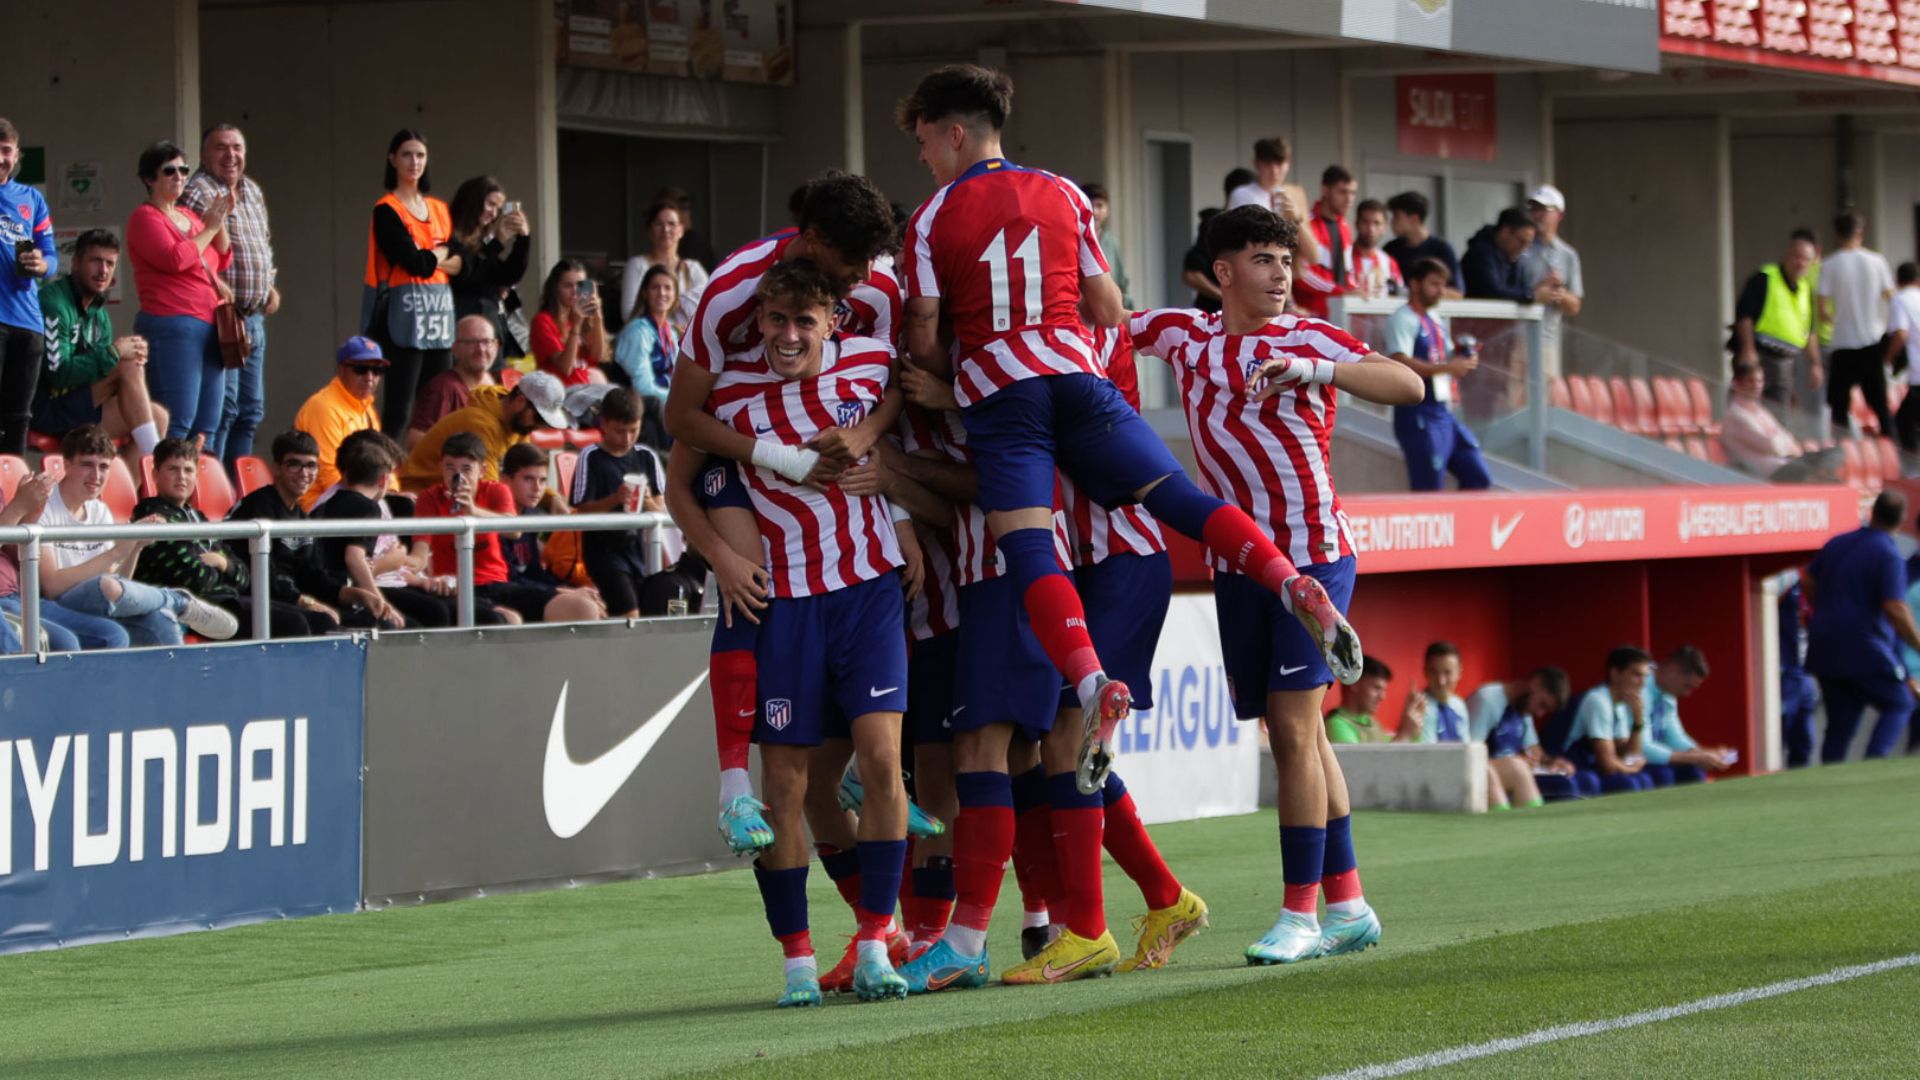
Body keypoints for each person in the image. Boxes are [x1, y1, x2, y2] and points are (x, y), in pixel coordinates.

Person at [1128, 203, 1422, 966]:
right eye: (1263, 259)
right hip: (1238, 565)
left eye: (1286, 260)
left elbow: (1408, 386)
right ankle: (1350, 904)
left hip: (1314, 560)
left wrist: (1320, 371)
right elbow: (1108, 325)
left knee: (1293, 729)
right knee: (1301, 732)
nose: (1282, 274)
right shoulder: (1184, 334)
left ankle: (1299, 915)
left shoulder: (1309, 336)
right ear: (1223, 273)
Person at [707, 261, 913, 1006]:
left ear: (834, 320)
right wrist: (722, 554)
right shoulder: (728, 391)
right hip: (786, 603)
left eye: (806, 321)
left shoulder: (868, 359)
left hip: (868, 592)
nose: (789, 336)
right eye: (776, 320)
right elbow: (684, 450)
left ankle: (874, 943)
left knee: (882, 761)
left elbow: (896, 396)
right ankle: (796, 958)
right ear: (759, 318)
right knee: (787, 786)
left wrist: (872, 441)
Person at [35, 425, 237, 646]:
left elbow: (122, 585)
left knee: (160, 619)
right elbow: (51, 586)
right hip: (57, 604)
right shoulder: (44, 507)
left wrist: (135, 547)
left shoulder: (98, 509)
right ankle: (179, 601)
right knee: (106, 586)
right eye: (87, 465)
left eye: (103, 467)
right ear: (67, 465)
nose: (96, 475)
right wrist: (116, 553)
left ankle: (177, 677)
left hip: (99, 598)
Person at [131, 437, 332, 637]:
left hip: (225, 600)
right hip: (190, 609)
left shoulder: (197, 516)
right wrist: (224, 570)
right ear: (155, 475)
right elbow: (195, 579)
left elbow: (244, 577)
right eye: (173, 469)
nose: (181, 477)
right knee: (292, 624)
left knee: (321, 621)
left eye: (188, 470)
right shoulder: (153, 516)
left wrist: (223, 564)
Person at [181, 123, 277, 468]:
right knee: (224, 409)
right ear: (205, 156)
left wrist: (269, 285)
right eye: (221, 148)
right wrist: (213, 281)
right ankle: (213, 489)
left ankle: (240, 498)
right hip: (221, 317)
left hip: (254, 316)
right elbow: (190, 248)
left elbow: (260, 243)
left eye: (237, 147)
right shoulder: (199, 191)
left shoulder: (251, 189)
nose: (230, 156)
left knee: (251, 411)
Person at [33, 228, 167, 468]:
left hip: (81, 405)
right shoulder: (54, 303)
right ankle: (160, 468)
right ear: (75, 264)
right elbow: (57, 375)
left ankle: (126, 497)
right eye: (95, 261)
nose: (103, 270)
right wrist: (114, 354)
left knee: (158, 416)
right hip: (49, 410)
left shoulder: (100, 315)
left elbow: (103, 370)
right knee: (125, 365)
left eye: (110, 263)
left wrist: (128, 354)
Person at [127, 139, 232, 444]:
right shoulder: (145, 217)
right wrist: (209, 230)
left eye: (183, 170)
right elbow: (175, 259)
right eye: (169, 170)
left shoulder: (190, 216)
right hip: (172, 323)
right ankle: (167, 490)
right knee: (178, 422)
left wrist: (218, 218)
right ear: (150, 179)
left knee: (207, 426)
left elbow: (221, 255)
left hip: (211, 323)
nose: (179, 176)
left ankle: (201, 490)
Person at [1803, 491, 1920, 763]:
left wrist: (1827, 609)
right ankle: (1874, 765)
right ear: (1901, 520)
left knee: (1841, 723)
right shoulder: (1888, 554)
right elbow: (1895, 607)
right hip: (1863, 644)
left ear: (1873, 512)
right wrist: (1916, 643)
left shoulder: (1838, 542)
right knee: (1899, 702)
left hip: (1823, 643)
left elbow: (1808, 580)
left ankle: (1830, 783)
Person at [226, 429, 376, 628]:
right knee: (316, 622)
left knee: (371, 618)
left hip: (290, 598)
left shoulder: (301, 516)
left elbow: (313, 575)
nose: (304, 473)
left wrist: (355, 594)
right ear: (277, 468)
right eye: (294, 464)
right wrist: (308, 603)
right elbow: (263, 578)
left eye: (311, 466)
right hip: (250, 596)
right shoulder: (259, 507)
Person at [363, 129, 459, 437]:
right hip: (404, 318)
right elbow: (413, 263)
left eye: (420, 155)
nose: (413, 161)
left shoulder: (440, 209)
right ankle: (390, 479)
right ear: (393, 159)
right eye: (406, 154)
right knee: (400, 410)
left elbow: (463, 262)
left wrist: (431, 254)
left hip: (440, 320)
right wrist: (441, 254)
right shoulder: (387, 209)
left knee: (438, 408)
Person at [311, 430, 450, 629]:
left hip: (343, 588)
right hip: (349, 591)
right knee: (428, 616)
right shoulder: (367, 507)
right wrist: (379, 602)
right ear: (384, 479)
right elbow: (354, 558)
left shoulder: (337, 503)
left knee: (438, 610)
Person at [1386, 257, 1490, 492]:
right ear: (1414, 284)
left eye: (1443, 284)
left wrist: (1463, 354)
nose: (1441, 291)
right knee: (1429, 488)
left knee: (1478, 476)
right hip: (1418, 412)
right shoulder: (1402, 319)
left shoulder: (1435, 318)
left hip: (1443, 411)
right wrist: (1448, 368)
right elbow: (1399, 361)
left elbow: (1441, 356)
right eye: (1434, 284)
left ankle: (1463, 527)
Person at [567, 388, 665, 618]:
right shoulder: (591, 457)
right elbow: (582, 508)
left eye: (634, 431)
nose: (628, 439)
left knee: (648, 612)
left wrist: (647, 502)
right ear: (604, 424)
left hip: (638, 551)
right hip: (603, 552)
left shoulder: (646, 456)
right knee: (629, 613)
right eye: (620, 432)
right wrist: (615, 499)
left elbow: (660, 507)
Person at [0, 468, 120, 652]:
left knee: (112, 635)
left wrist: (31, 515)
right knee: (65, 644)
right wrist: (18, 507)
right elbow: (51, 585)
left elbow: (14, 555)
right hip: (4, 601)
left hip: (18, 594)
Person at [398, 370, 569, 491]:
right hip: (421, 498)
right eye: (539, 418)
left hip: (457, 499)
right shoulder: (480, 423)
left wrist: (551, 498)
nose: (539, 427)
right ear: (520, 401)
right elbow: (488, 491)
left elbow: (524, 474)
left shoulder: (519, 427)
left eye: (545, 422)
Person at [0, 117, 57, 455]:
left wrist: (41, 263)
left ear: (17, 155)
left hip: (28, 321)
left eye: (6, 151)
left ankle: (11, 496)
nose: (1, 159)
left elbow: (50, 256)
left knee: (19, 417)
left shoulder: (31, 199)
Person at [497, 442, 605, 617]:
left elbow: (534, 573)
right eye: (528, 479)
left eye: (542, 480)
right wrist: (562, 592)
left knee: (597, 597)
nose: (537, 488)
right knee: (582, 607)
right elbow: (512, 579)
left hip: (526, 589)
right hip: (505, 594)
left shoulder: (530, 515)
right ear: (505, 480)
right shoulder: (494, 520)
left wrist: (569, 588)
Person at [1817, 211, 1896, 434]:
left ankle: (1840, 457)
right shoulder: (1876, 261)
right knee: (1880, 405)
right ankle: (1893, 454)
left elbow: (1822, 309)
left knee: (1839, 406)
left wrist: (1836, 318)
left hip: (1843, 342)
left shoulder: (1829, 265)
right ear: (1860, 232)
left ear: (1837, 234)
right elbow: (1892, 299)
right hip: (1871, 339)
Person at [1732, 229, 1824, 411]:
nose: (1800, 263)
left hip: (1786, 362)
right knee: (1748, 410)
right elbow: (1745, 316)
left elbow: (1809, 332)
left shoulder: (1805, 289)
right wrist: (1748, 350)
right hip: (1759, 356)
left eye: (1806, 259)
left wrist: (1815, 364)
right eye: (1796, 257)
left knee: (1778, 416)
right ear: (1786, 255)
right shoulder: (1765, 278)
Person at [294, 336, 388, 508]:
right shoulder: (324, 407)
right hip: (319, 507)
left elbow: (384, 464)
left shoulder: (367, 409)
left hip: (361, 496)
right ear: (341, 369)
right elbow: (330, 476)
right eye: (361, 369)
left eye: (377, 370)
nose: (369, 377)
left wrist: (394, 492)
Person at [445, 175, 531, 359]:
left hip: (491, 332)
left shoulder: (483, 240)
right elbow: (468, 272)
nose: (494, 213)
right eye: (491, 205)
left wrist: (523, 239)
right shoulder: (447, 234)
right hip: (461, 331)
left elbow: (507, 276)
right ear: (473, 201)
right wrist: (497, 243)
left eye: (498, 209)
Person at [1465, 667, 1577, 807]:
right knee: (1521, 770)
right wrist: (1517, 762)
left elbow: (1534, 751)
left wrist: (1553, 762)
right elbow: (1467, 757)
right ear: (1535, 683)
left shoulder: (1524, 710)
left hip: (1512, 776)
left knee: (1568, 783)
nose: (1539, 714)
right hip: (1479, 778)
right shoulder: (1488, 700)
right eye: (1542, 704)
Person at [1720, 360, 1841, 482]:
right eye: (1750, 380)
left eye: (1760, 381)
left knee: (1835, 453)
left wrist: (1783, 441)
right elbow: (1770, 445)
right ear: (1736, 384)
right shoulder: (1735, 415)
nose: (1757, 385)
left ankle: (1823, 477)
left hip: (1787, 461)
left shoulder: (1760, 410)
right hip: (1770, 471)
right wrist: (1784, 443)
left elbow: (1785, 436)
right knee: (1819, 476)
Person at [1559, 646, 1657, 795]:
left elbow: (1630, 755)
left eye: (1645, 677)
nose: (1642, 683)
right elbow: (1608, 765)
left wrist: (1638, 721)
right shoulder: (1598, 700)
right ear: (1615, 674)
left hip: (1591, 766)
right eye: (1636, 675)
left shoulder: (1621, 704)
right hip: (1569, 764)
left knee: (1644, 779)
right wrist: (1632, 768)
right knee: (1627, 783)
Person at [1640, 646, 1736, 786]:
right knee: (1664, 774)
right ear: (1672, 670)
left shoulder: (1667, 694)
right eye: (1687, 686)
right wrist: (1695, 757)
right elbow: (1643, 748)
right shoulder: (1640, 688)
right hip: (1627, 758)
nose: (1687, 694)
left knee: (1693, 771)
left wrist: (1705, 754)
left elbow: (1675, 737)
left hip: (1647, 758)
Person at [406, 315, 497, 447]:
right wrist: (457, 453)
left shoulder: (494, 383)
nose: (481, 349)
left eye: (486, 342)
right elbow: (415, 439)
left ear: (496, 346)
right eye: (471, 342)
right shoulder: (443, 388)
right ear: (455, 348)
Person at [618, 198, 708, 330]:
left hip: (686, 347)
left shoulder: (693, 268)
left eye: (671, 224)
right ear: (650, 231)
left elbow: (709, 308)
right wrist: (678, 308)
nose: (665, 229)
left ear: (681, 230)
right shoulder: (637, 265)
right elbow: (629, 314)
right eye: (658, 224)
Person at [1224, 137, 1318, 263]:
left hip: (1288, 274)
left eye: (1279, 164)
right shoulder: (1243, 194)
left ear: (1288, 165)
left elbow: (1314, 256)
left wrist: (1296, 220)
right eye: (1267, 163)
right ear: (1257, 164)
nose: (1274, 171)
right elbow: (1239, 244)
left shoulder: (1294, 194)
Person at [531, 259, 609, 386]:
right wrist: (576, 326)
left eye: (579, 286)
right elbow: (565, 368)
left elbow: (598, 356)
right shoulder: (543, 320)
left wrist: (598, 317)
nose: (574, 292)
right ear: (556, 289)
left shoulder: (581, 317)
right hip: (559, 389)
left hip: (584, 386)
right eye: (567, 286)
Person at [1293, 165, 1357, 319]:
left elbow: (1349, 273)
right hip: (1310, 316)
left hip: (1339, 314)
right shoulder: (1306, 224)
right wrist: (1342, 292)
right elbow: (1300, 274)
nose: (1349, 199)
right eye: (1342, 192)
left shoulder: (1345, 226)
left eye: (1353, 193)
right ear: (1325, 190)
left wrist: (1356, 292)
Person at [611, 264, 678, 405]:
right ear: (645, 293)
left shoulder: (670, 332)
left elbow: (680, 378)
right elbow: (643, 389)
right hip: (637, 408)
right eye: (655, 287)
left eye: (667, 288)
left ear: (675, 294)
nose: (662, 293)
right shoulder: (638, 332)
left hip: (667, 404)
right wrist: (681, 402)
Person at [1778, 571, 1821, 768]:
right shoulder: (1787, 578)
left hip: (1803, 673)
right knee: (1779, 734)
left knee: (1804, 741)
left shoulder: (1811, 586)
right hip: (1784, 672)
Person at [1383, 191, 1462, 296]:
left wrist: (1418, 292)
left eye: (1397, 217)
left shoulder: (1442, 250)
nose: (1392, 222)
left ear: (1414, 219)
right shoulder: (1391, 249)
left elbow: (1457, 293)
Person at [1462, 208, 1546, 304]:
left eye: (1528, 244)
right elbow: (1493, 291)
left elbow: (1522, 288)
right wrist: (1531, 296)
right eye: (1521, 241)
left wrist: (1537, 291)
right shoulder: (1481, 253)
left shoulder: (1514, 258)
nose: (1524, 248)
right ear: (1505, 232)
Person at [1392, 641, 1469, 745]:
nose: (1441, 681)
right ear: (1425, 671)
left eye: (1447, 672)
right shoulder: (1416, 707)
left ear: (1459, 672)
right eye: (1434, 672)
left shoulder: (1460, 705)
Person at [1887, 261, 1920, 451]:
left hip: (1918, 378)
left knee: (1904, 423)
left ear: (1898, 281)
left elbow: (1900, 333)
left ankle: (1912, 470)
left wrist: (1888, 358)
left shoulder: (1900, 300)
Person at [1080, 182, 1129, 306]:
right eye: (1090, 206)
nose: (1095, 212)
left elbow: (1121, 280)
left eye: (1099, 206)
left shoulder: (1111, 242)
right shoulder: (1074, 239)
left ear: (1107, 210)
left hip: (1108, 308)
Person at [1325, 656, 1392, 744]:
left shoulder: (1372, 722)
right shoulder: (1335, 724)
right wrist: (1404, 734)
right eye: (1376, 688)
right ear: (1354, 684)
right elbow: (1356, 758)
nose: (1382, 697)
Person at [1347, 199, 1403, 299]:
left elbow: (1399, 296)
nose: (1371, 229)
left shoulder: (1389, 263)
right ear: (1357, 224)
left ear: (1385, 227)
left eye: (1376, 223)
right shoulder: (1344, 256)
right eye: (1365, 222)